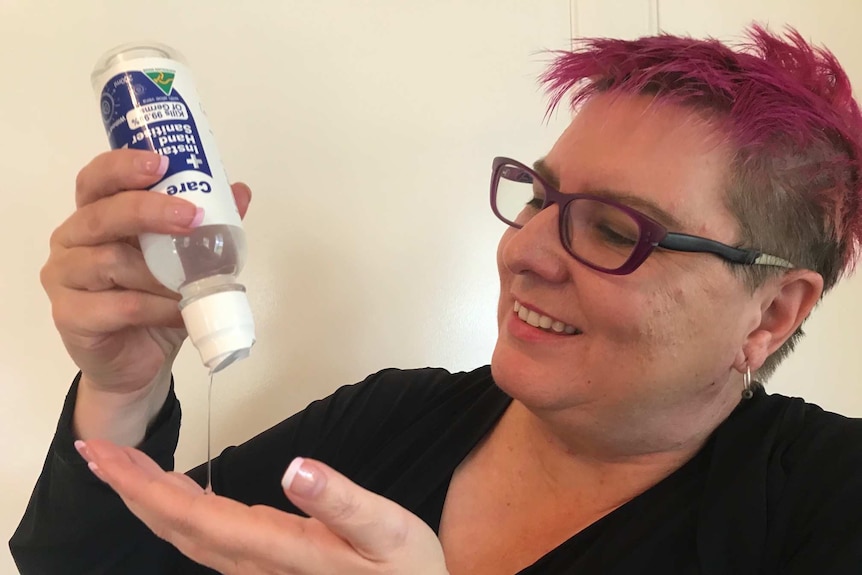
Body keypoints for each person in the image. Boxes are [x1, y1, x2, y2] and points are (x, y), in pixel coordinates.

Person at [10, 24, 862, 574]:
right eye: (539, 197)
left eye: (612, 230)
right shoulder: (391, 416)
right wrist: (124, 391)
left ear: (773, 312)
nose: (525, 250)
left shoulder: (827, 501)